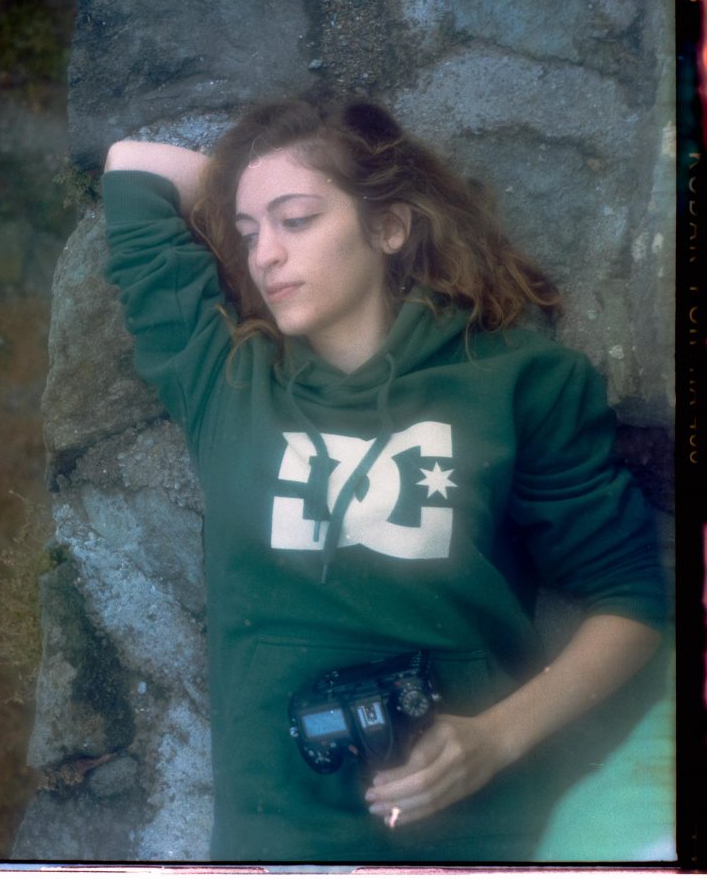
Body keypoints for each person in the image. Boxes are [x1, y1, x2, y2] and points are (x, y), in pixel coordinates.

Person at [100, 96, 668, 862]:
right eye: (246, 233)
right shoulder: (223, 385)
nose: (264, 254)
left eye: (296, 221)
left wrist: (497, 738)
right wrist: (266, 188)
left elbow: (632, 608)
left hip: (478, 834)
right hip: (276, 841)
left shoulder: (517, 382)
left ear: (390, 225)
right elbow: (133, 166)